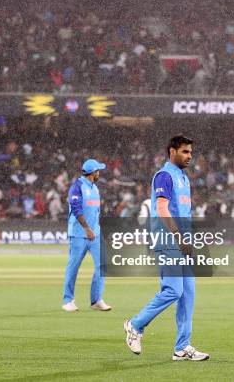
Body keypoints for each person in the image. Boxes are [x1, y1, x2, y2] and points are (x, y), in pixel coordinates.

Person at [124, 134, 209, 360]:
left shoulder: (182, 177)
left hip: (183, 243)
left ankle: (182, 348)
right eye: (185, 151)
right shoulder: (164, 176)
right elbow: (162, 209)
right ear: (172, 151)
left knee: (187, 295)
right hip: (169, 241)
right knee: (173, 290)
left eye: (191, 152)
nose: (190, 156)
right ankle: (135, 325)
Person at [62, 159, 112, 312]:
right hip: (79, 234)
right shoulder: (77, 187)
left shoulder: (95, 188)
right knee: (73, 267)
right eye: (98, 171)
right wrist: (86, 228)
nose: (99, 173)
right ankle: (68, 300)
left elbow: (94, 212)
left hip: (95, 234)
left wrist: (95, 230)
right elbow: (76, 209)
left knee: (102, 265)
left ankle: (96, 300)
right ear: (92, 173)